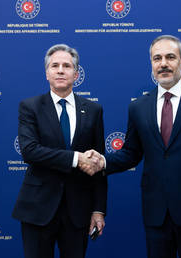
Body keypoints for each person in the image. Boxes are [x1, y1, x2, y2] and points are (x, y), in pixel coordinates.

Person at [84, 35, 181, 258]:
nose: (163, 63)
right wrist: (103, 161)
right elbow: (131, 153)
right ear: (151, 64)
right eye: (157, 58)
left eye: (170, 57)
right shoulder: (138, 107)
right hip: (156, 212)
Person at [12, 44, 107, 258]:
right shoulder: (30, 107)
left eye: (67, 65)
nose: (61, 70)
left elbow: (99, 165)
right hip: (38, 209)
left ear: (76, 73)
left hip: (78, 211)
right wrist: (75, 158)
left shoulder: (93, 110)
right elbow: (30, 151)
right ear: (47, 73)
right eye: (55, 66)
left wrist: (98, 209)